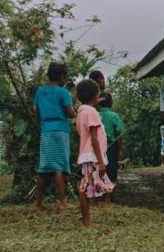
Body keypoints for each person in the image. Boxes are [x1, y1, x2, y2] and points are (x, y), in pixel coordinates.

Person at [33, 63, 76, 211]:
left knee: (44, 167)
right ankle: (62, 201)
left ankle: (38, 203)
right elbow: (70, 113)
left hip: (46, 131)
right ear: (61, 77)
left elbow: (37, 113)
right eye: (66, 76)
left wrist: (43, 126)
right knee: (60, 166)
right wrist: (76, 110)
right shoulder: (63, 92)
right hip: (60, 131)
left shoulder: (40, 92)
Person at [75, 79, 114, 227]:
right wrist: (100, 161)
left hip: (89, 155)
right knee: (85, 187)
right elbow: (94, 139)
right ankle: (86, 221)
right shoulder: (91, 112)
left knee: (87, 185)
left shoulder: (82, 112)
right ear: (95, 96)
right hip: (92, 156)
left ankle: (87, 218)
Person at [98, 92, 125, 187]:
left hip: (97, 146)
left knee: (100, 169)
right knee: (111, 169)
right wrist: (120, 149)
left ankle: (100, 194)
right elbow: (119, 132)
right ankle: (109, 196)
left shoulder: (96, 114)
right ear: (110, 103)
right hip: (111, 146)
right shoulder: (113, 115)